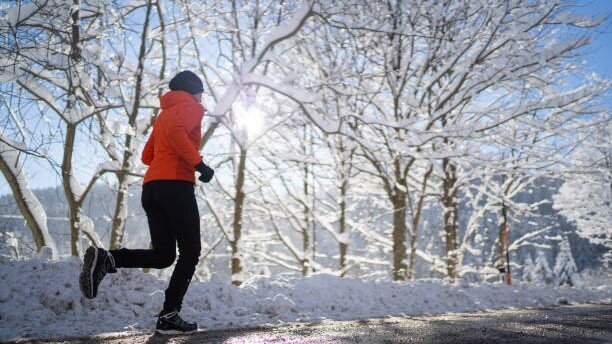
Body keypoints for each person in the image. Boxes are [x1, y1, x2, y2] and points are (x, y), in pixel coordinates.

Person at [79, 70, 215, 334]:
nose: (202, 96)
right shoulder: (192, 108)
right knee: (191, 251)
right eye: (201, 91)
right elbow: (176, 136)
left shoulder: (164, 114)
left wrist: (170, 163)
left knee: (164, 255)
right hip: (176, 187)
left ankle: (108, 259)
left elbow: (147, 155)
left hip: (152, 188)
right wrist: (199, 164)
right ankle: (169, 315)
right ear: (192, 90)